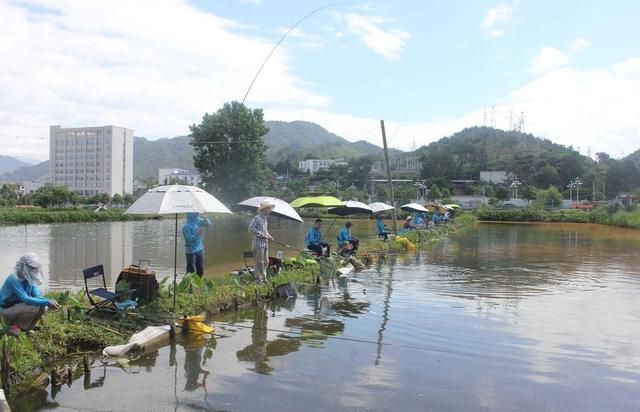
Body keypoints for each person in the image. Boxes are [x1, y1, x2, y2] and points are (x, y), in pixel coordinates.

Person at [0, 253, 59, 336]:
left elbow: (37, 296)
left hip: (18, 307)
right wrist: (47, 301)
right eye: (31, 268)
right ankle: (14, 327)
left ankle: (29, 328)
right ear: (23, 267)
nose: (34, 270)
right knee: (33, 307)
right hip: (6, 310)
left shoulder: (30, 279)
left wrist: (48, 301)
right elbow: (26, 299)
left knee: (43, 307)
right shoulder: (14, 279)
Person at [248, 200, 275, 284]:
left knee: (266, 262)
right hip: (258, 244)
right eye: (269, 209)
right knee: (259, 262)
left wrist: (269, 236)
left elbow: (265, 231)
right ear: (264, 209)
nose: (270, 210)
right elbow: (250, 228)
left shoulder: (265, 219)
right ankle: (259, 280)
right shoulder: (257, 218)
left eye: (270, 209)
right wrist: (261, 234)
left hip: (265, 243)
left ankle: (262, 277)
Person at [182, 212, 212, 277]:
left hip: (200, 249)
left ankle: (198, 285)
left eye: (197, 213)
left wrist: (205, 218)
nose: (197, 214)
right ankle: (190, 286)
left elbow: (209, 224)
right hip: (190, 251)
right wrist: (197, 233)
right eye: (195, 213)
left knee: (200, 270)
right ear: (189, 214)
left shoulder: (199, 220)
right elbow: (189, 240)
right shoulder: (186, 226)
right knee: (190, 271)